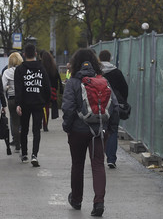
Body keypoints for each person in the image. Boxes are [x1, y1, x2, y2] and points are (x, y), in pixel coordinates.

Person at [62, 48, 119, 217]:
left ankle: (77, 199)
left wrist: (67, 127)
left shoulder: (73, 82)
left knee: (77, 164)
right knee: (98, 164)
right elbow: (115, 107)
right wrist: (111, 128)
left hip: (78, 131)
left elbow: (68, 107)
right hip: (99, 130)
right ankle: (99, 203)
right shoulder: (103, 80)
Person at [14, 43, 51, 167]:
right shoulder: (41, 68)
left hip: (24, 103)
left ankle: (24, 154)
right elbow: (47, 86)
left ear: (24, 54)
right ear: (35, 54)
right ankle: (34, 155)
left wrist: (18, 103)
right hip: (38, 103)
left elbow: (18, 88)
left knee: (24, 129)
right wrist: (46, 100)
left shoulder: (20, 69)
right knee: (36, 130)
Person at [99, 49, 128, 169]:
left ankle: (98, 158)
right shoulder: (117, 72)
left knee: (99, 130)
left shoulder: (97, 72)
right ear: (110, 58)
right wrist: (122, 101)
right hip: (114, 105)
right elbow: (124, 88)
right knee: (113, 130)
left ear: (99, 59)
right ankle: (111, 159)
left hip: (100, 104)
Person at [2, 52, 23, 152]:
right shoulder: (24, 70)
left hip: (11, 99)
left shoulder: (7, 72)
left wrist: (8, 87)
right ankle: (23, 142)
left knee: (14, 122)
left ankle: (17, 143)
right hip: (23, 99)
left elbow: (2, 87)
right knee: (23, 121)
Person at [40, 50, 62, 132]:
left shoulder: (41, 67)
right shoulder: (53, 68)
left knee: (40, 107)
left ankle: (39, 123)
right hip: (51, 90)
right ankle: (45, 124)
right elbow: (56, 80)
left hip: (41, 90)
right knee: (47, 107)